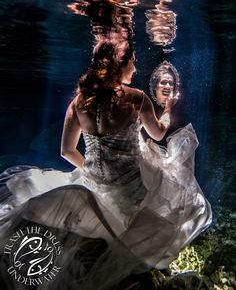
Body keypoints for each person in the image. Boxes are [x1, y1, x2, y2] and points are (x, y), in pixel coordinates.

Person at [0, 40, 212, 290]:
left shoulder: (80, 102)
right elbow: (158, 134)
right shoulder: (137, 98)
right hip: (130, 188)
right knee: (186, 201)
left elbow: (66, 151)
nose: (135, 68)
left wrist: (90, 169)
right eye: (132, 62)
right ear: (120, 64)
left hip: (94, 184)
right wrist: (167, 108)